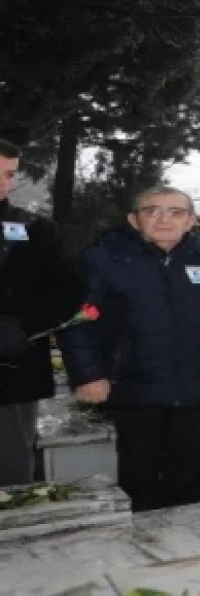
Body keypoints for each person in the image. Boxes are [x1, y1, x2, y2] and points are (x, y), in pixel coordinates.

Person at [60, 186, 200, 511]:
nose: (164, 219)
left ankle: (187, 538)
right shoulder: (104, 260)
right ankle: (142, 538)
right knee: (140, 476)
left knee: (187, 473)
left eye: (175, 212)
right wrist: (88, 375)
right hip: (134, 385)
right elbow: (76, 321)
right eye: (152, 211)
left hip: (195, 384)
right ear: (134, 220)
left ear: (190, 221)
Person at [0, 139, 80, 486]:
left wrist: (24, 329)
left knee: (12, 469)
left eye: (9, 174)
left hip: (13, 369)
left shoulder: (38, 229)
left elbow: (68, 290)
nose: (3, 182)